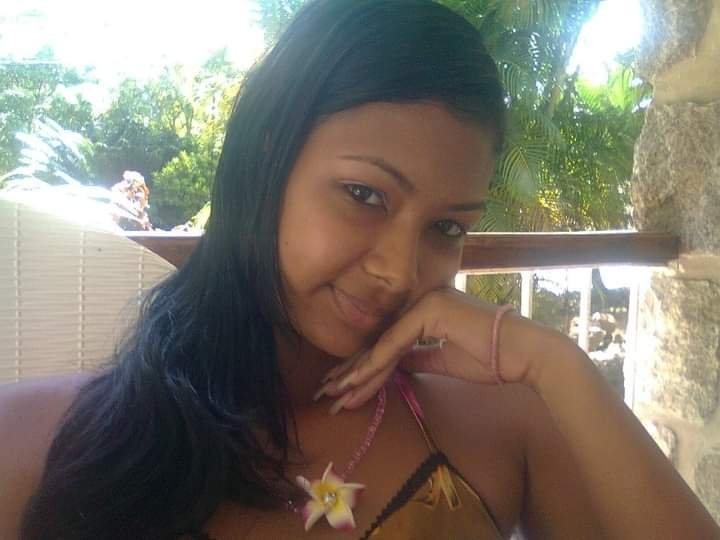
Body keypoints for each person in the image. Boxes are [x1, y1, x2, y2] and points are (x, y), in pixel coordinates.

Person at [0, 0, 717, 538]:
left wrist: (557, 366)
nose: (400, 271)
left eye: (447, 228)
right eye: (365, 195)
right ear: (268, 160)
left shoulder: (506, 427)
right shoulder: (40, 441)